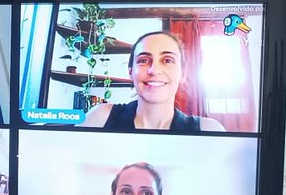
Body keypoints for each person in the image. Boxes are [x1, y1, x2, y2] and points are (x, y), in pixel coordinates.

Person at [81, 30, 226, 132]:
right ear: (131, 72)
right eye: (144, 60)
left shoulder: (209, 129)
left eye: (168, 60)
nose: (154, 70)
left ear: (183, 73)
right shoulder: (101, 117)